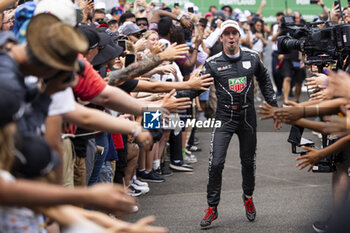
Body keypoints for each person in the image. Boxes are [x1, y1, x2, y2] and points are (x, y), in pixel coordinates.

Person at [199, 20, 279, 228]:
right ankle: (212, 207)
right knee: (216, 163)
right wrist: (179, 94)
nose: (231, 37)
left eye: (235, 33)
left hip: (247, 119)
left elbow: (265, 78)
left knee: (248, 163)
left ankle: (248, 197)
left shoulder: (252, 57)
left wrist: (274, 106)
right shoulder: (212, 62)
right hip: (224, 118)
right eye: (227, 34)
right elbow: (197, 86)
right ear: (222, 37)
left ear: (240, 36)